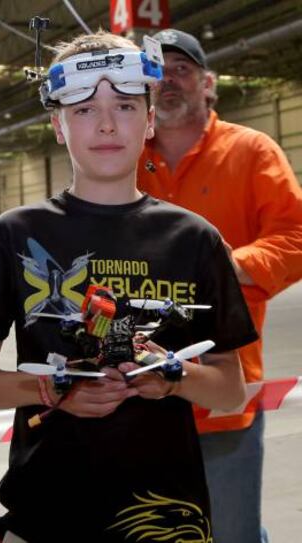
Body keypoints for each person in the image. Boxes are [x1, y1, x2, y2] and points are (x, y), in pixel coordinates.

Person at [0, 30, 258, 543]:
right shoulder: (16, 233)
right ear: (58, 125)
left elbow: (231, 389)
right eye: (85, 109)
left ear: (150, 120)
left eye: (125, 106)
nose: (108, 123)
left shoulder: (196, 239)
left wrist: (174, 377)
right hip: (46, 513)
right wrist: (53, 390)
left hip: (164, 519)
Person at [137, 28, 302, 543]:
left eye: (181, 69)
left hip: (224, 391)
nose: (168, 80)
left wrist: (228, 265)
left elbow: (296, 236)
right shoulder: (123, 158)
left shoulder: (251, 151)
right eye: (157, 71)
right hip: (136, 391)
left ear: (208, 83)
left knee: (232, 533)